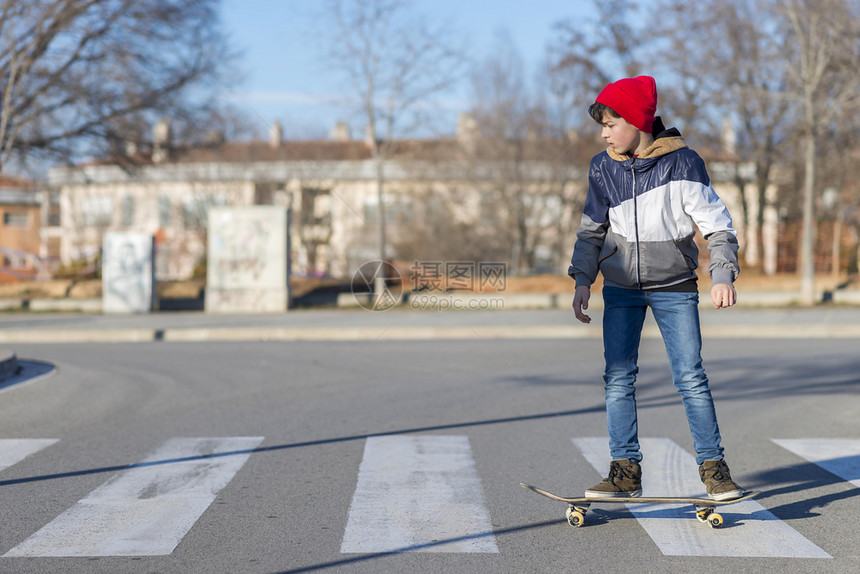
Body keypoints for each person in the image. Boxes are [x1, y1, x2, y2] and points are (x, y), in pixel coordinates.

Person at [568, 75, 744, 501]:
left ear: (636, 121)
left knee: (690, 377)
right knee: (618, 378)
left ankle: (714, 470)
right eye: (602, 126)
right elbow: (592, 230)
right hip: (622, 289)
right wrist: (581, 280)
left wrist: (722, 275)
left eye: (611, 123)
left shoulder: (684, 164)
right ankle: (625, 472)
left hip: (676, 286)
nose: (604, 133)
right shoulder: (602, 167)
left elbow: (718, 227)